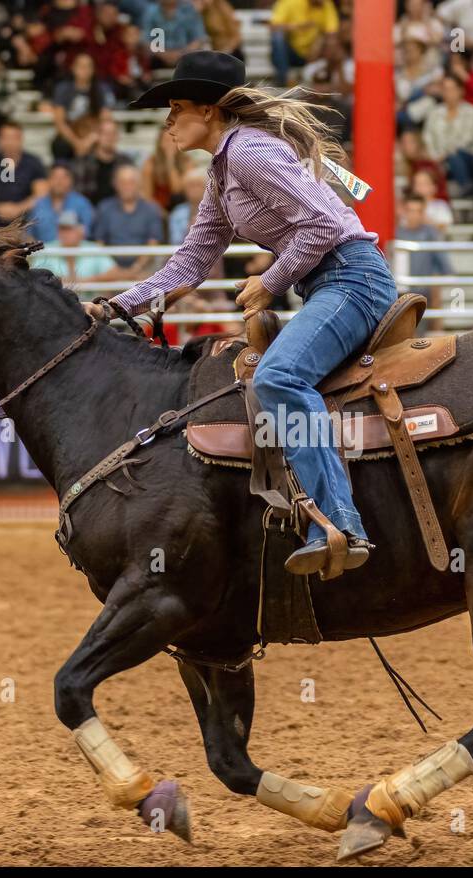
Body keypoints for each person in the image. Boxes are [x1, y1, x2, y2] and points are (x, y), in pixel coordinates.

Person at [90, 51, 393, 574]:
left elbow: (322, 226)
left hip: (352, 278)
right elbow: (191, 261)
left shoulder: (251, 152)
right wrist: (117, 306)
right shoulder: (223, 170)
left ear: (208, 111)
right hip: (331, 282)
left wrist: (269, 282)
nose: (168, 121)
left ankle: (343, 525)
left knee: (279, 377)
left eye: (176, 107)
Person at [0, 120, 48, 225]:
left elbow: (41, 194)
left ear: (20, 139)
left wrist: (19, 208)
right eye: (5, 138)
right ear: (0, 139)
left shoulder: (33, 162)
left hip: (27, 218)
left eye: (13, 138)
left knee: (42, 211)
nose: (9, 142)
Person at [394, 192, 451, 325]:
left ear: (423, 213)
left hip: (424, 292)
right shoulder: (396, 233)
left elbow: (444, 265)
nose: (413, 215)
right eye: (410, 211)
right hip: (400, 291)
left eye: (418, 211)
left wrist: (435, 281)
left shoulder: (430, 233)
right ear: (404, 211)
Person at [92, 164, 163, 270]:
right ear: (115, 184)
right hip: (110, 268)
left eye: (131, 182)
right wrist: (112, 268)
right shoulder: (105, 208)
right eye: (123, 183)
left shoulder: (151, 209)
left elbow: (153, 242)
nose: (127, 187)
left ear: (139, 184)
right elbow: (99, 242)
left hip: (145, 267)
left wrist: (137, 267)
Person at [269, 0, 339, 86]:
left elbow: (332, 32)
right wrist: (297, 26)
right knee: (277, 37)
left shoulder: (326, 3)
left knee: (330, 40)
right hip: (291, 53)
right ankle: (284, 80)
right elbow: (274, 26)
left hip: (314, 53)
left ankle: (326, 79)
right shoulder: (289, 2)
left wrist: (320, 42)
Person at [33, 209, 114, 279]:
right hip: (55, 296)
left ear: (81, 231)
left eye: (69, 229)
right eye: (62, 229)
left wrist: (85, 282)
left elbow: (114, 273)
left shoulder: (94, 249)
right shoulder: (48, 250)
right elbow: (34, 276)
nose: (64, 233)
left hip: (90, 296)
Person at [30, 161, 95, 242]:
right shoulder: (38, 205)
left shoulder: (82, 204)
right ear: (48, 180)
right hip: (44, 253)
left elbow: (87, 234)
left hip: (73, 253)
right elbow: (29, 235)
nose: (59, 182)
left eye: (64, 177)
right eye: (55, 177)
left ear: (71, 180)